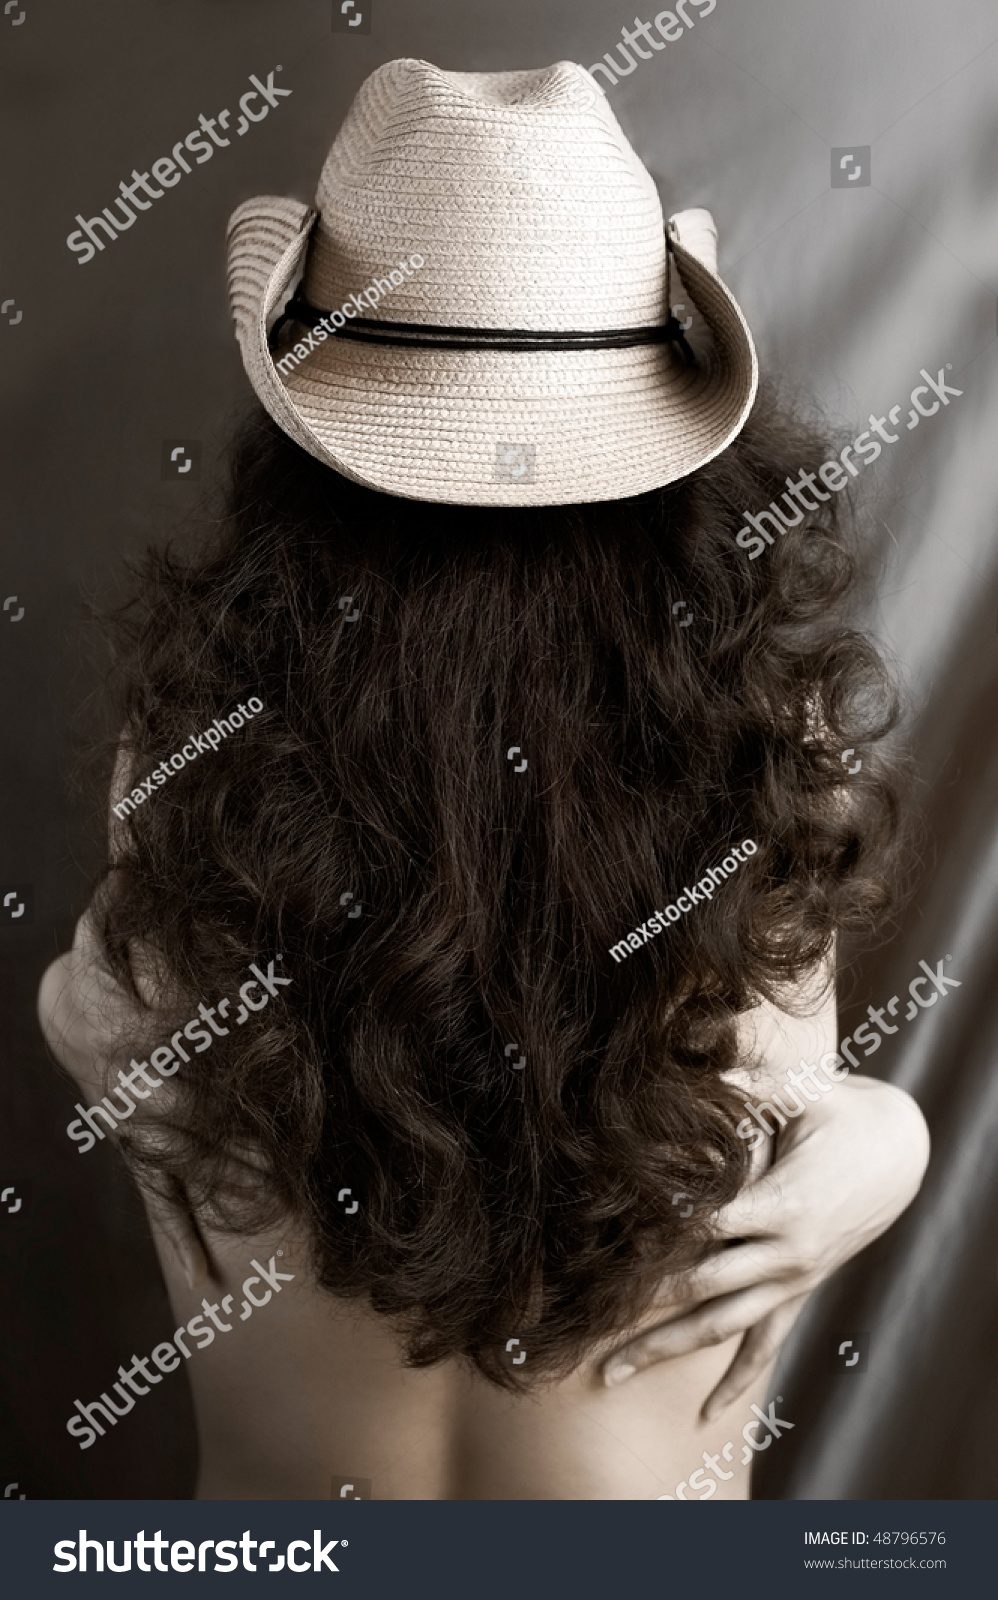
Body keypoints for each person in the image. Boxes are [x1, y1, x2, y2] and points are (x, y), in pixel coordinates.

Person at [38, 58, 930, 1501]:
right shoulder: (754, 766)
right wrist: (891, 1138)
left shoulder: (197, 759)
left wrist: (89, 1023)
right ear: (671, 445)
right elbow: (793, 1125)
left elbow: (97, 1015)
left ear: (305, 450)